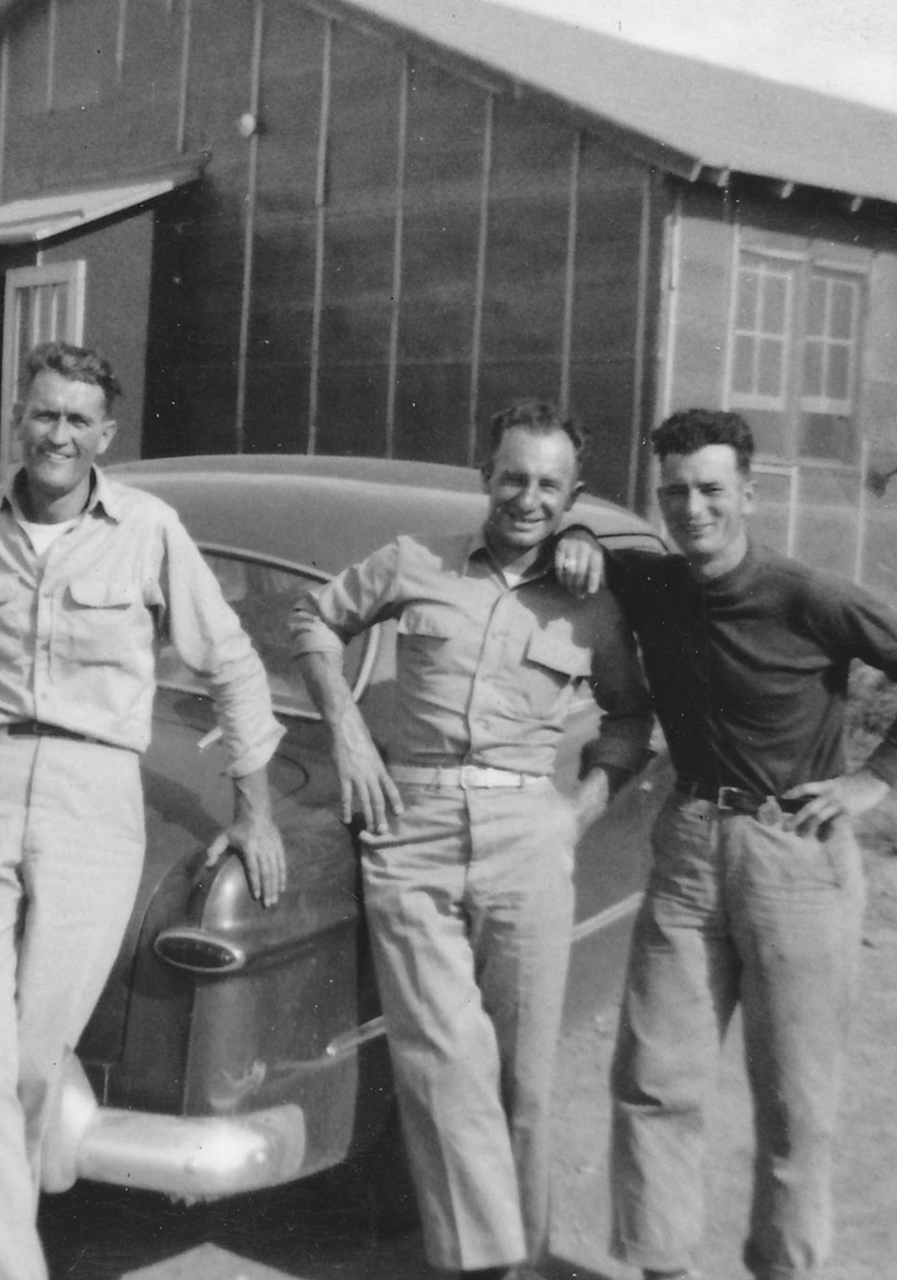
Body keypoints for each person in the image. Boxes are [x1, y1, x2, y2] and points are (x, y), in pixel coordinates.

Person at [0, 340, 286, 1280]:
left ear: (104, 436)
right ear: (18, 420)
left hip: (94, 798)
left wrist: (256, 808)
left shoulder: (150, 528)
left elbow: (233, 663)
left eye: (79, 420)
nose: (58, 434)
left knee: (34, 1062)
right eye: (44, 414)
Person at [551, 409, 897, 1280]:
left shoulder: (803, 593)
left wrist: (874, 779)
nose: (692, 509)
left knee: (795, 1103)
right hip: (690, 844)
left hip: (794, 853)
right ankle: (665, 1268)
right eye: (674, 492)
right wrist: (581, 534)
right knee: (655, 1078)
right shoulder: (653, 580)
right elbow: (578, 535)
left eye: (711, 490)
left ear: (748, 491)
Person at [289, 399, 653, 1279]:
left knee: (524, 1082)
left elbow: (630, 718)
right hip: (410, 834)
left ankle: (520, 1262)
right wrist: (343, 728)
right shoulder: (415, 562)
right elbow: (310, 621)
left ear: (574, 495)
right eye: (513, 476)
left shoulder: (592, 604)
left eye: (548, 485)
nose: (527, 498)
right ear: (483, 474)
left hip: (528, 836)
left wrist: (578, 813)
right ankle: (486, 1269)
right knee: (444, 1068)